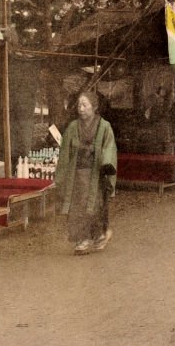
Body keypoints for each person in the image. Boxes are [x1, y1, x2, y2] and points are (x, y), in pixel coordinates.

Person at [56, 91, 118, 255]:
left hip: (96, 174)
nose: (81, 108)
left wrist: (107, 163)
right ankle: (82, 239)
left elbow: (109, 148)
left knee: (95, 207)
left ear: (94, 107)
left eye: (85, 105)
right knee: (77, 208)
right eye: (79, 105)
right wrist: (61, 176)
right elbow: (65, 153)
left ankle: (98, 236)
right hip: (76, 175)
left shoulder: (104, 126)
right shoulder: (72, 127)